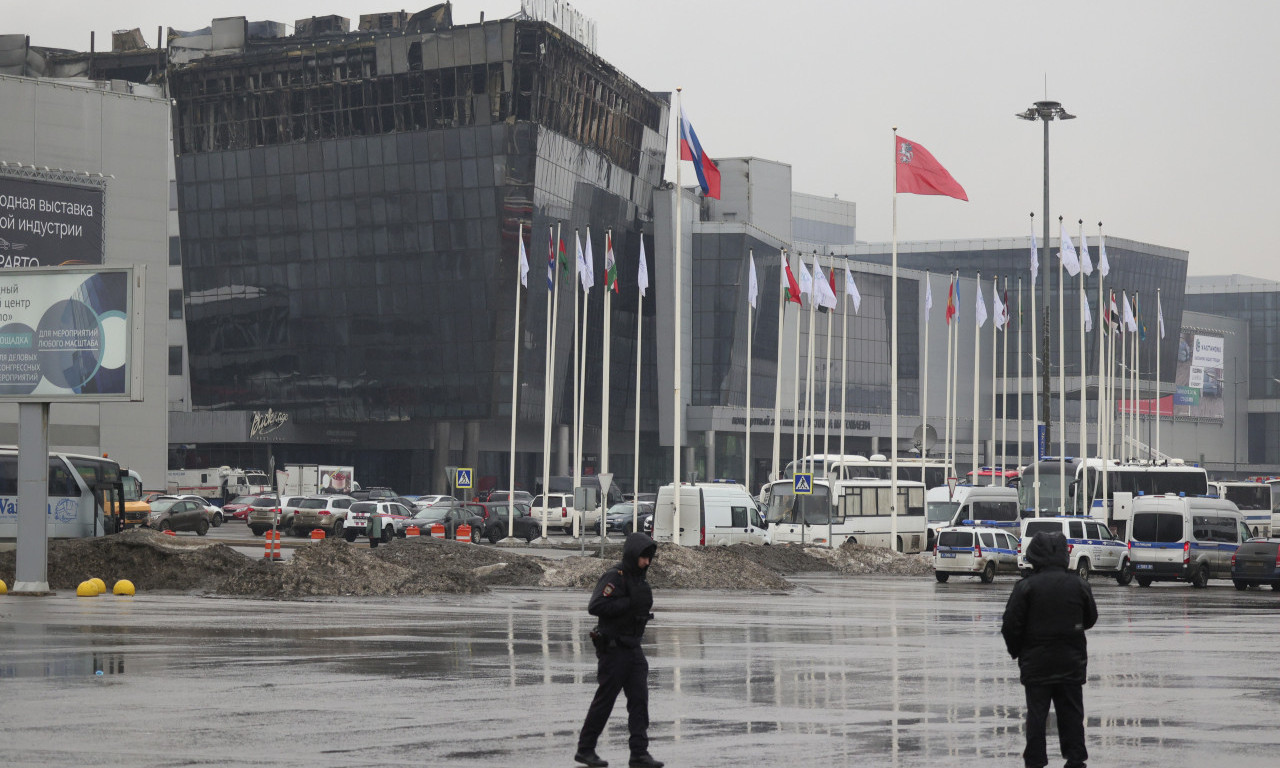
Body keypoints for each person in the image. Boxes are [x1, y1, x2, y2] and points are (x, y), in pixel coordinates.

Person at [1001, 530, 1099, 768]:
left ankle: (1035, 761)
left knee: (1037, 716)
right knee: (1072, 715)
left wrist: (1019, 653)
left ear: (1034, 555)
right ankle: (1075, 760)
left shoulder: (1026, 587)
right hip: (1071, 662)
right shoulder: (1079, 585)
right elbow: (1091, 618)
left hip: (1036, 663)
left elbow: (1010, 625)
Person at [575, 532, 663, 768]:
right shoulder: (616, 577)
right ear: (633, 555)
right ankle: (585, 749)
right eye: (644, 558)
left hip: (633, 650)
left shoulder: (639, 579)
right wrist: (627, 604)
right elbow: (595, 606)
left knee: (639, 702)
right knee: (604, 702)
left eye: (649, 558)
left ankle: (639, 753)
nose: (647, 562)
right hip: (613, 651)